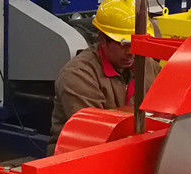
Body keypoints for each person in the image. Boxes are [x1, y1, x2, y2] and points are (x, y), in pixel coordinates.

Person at [48, 0, 160, 155]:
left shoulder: (147, 65)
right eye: (123, 44)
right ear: (102, 39)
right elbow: (93, 132)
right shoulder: (78, 75)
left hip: (132, 149)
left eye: (135, 43)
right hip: (78, 155)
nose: (131, 52)